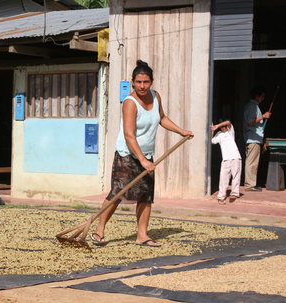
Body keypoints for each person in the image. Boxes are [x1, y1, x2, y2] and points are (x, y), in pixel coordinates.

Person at [90, 60, 193, 247]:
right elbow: (129, 135)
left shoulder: (155, 96)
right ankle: (99, 230)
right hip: (126, 154)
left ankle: (142, 235)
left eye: (146, 82)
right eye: (138, 82)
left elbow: (162, 118)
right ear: (132, 82)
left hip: (146, 154)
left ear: (151, 82)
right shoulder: (130, 103)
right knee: (117, 193)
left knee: (146, 195)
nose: (142, 86)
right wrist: (143, 160)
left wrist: (181, 131)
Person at [243, 87, 271, 191]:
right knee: (251, 163)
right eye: (262, 96)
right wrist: (263, 116)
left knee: (253, 163)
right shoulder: (251, 107)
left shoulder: (255, 106)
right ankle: (249, 185)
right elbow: (250, 122)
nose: (263, 98)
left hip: (255, 138)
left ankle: (251, 184)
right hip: (252, 139)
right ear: (257, 96)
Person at [211, 119, 242, 204]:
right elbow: (212, 141)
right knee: (223, 178)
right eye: (222, 127)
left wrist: (217, 125)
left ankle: (235, 193)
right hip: (225, 159)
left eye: (224, 126)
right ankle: (221, 197)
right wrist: (213, 131)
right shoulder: (219, 134)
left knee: (236, 176)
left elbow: (228, 122)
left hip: (235, 156)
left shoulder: (230, 132)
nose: (223, 128)